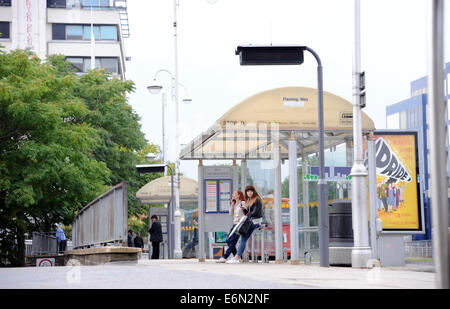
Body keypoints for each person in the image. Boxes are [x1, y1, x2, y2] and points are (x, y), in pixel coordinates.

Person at [226, 185, 263, 264]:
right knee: (243, 238)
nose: (249, 193)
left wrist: (247, 213)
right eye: (247, 191)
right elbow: (248, 213)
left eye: (251, 191)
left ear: (253, 191)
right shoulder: (249, 200)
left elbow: (255, 213)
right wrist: (244, 210)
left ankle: (237, 257)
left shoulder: (257, 199)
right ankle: (237, 257)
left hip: (256, 221)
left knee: (243, 238)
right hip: (251, 221)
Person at [217, 190, 246, 263]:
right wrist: (232, 205)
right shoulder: (235, 203)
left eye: (234, 193)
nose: (232, 194)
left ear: (239, 195)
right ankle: (238, 257)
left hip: (240, 225)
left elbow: (246, 213)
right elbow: (230, 213)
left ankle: (225, 256)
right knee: (228, 240)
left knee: (232, 241)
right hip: (234, 224)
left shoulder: (242, 203)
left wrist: (244, 209)